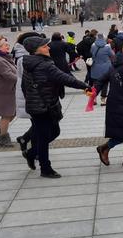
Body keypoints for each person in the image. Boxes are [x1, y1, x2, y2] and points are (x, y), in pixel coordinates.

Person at [21, 36, 91, 178]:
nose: (49, 47)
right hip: (43, 106)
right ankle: (45, 168)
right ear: (36, 50)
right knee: (45, 136)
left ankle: (32, 153)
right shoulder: (44, 65)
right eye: (45, 46)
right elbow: (65, 78)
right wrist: (85, 86)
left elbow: (24, 86)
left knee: (53, 132)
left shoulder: (30, 62)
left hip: (39, 105)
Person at [13, 31, 41, 153]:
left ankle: (26, 140)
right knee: (38, 124)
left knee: (37, 124)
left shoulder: (24, 56)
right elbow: (32, 78)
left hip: (31, 95)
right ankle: (33, 149)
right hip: (30, 95)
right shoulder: (24, 59)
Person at [90, 33, 115, 106]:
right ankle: (103, 100)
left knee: (95, 84)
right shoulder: (107, 47)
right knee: (105, 84)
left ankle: (94, 99)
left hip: (95, 67)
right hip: (105, 68)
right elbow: (112, 55)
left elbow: (91, 53)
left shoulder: (93, 46)